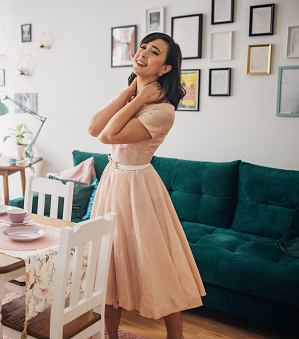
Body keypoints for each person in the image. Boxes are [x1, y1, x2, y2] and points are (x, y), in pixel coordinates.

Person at [88, 32, 206, 339]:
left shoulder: (162, 111)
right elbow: (93, 127)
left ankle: (175, 336)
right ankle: (110, 334)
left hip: (137, 187)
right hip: (112, 182)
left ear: (164, 68)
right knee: (109, 260)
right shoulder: (132, 98)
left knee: (156, 264)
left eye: (153, 52)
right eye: (142, 47)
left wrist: (139, 98)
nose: (142, 53)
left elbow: (108, 137)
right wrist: (129, 94)